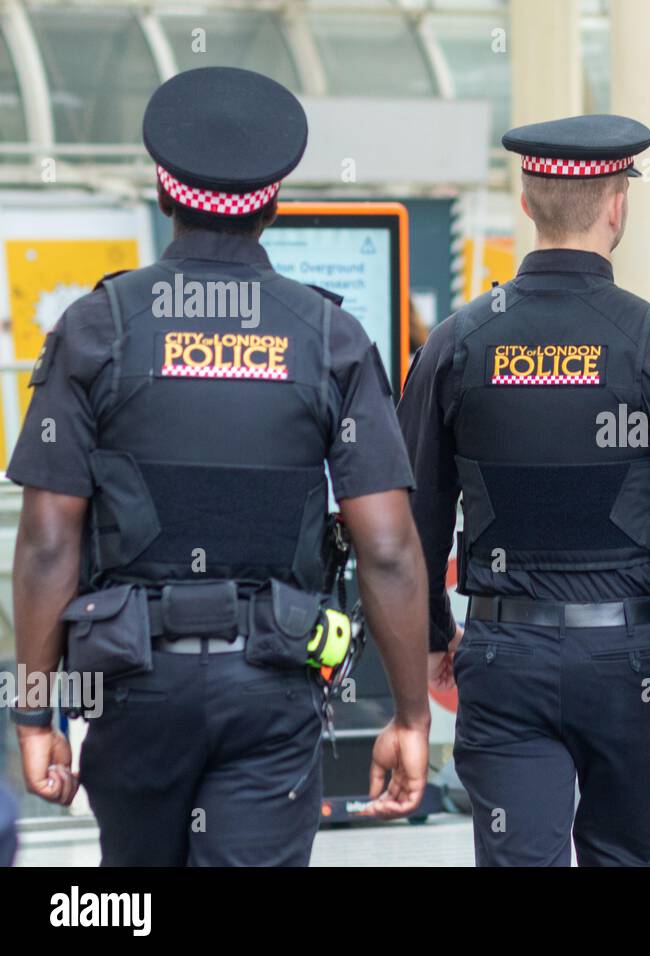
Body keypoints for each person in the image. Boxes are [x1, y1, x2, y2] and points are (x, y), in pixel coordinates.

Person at [6, 67, 431, 866]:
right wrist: (410, 716)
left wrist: (35, 716)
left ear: (163, 194)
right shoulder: (329, 338)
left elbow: (47, 545)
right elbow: (387, 546)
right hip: (273, 677)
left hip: (133, 683)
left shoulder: (95, 330)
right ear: (272, 203)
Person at [398, 114, 650, 866]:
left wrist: (428, 639)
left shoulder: (457, 343)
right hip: (633, 664)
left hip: (502, 654)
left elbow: (412, 516)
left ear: (527, 204)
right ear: (617, 205)